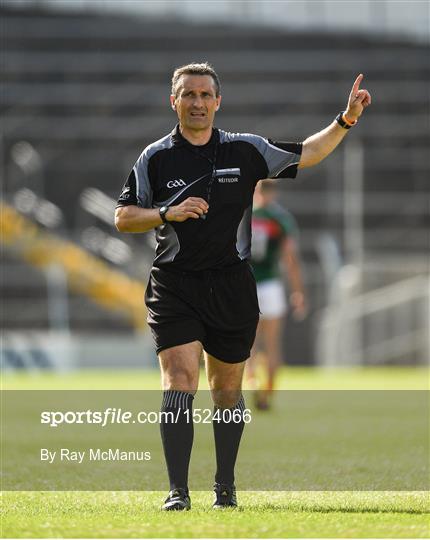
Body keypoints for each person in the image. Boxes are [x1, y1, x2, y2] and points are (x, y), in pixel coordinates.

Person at [114, 62, 371, 510]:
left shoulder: (246, 149)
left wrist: (344, 119)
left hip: (232, 286)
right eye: (188, 95)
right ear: (172, 101)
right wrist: (165, 213)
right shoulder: (155, 156)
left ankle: (225, 487)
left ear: (218, 102)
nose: (197, 102)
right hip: (174, 285)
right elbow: (123, 216)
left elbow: (307, 153)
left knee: (227, 391)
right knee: (178, 379)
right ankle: (177, 491)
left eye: (204, 95)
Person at [248, 180, 307, 410]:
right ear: (275, 192)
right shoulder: (280, 219)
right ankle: (268, 394)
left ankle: (252, 381)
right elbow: (290, 258)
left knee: (249, 344)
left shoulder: (244, 216)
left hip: (247, 285)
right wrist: (298, 291)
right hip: (271, 285)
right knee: (273, 345)